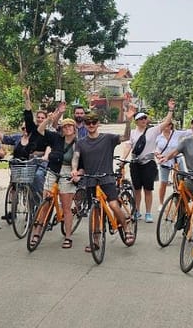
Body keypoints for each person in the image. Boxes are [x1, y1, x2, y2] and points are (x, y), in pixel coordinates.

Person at [72, 102, 135, 250]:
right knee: (95, 212)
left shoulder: (108, 138)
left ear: (98, 124)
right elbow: (76, 157)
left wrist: (128, 120)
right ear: (85, 125)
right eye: (88, 122)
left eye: (94, 122)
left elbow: (126, 136)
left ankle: (126, 229)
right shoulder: (81, 142)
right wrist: (74, 170)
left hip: (107, 178)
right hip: (90, 180)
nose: (91, 125)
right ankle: (95, 241)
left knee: (113, 204)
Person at [29, 113, 78, 249]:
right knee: (45, 203)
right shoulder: (56, 138)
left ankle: (68, 236)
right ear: (61, 129)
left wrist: (77, 174)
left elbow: (83, 162)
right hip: (52, 170)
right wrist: (48, 120)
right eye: (65, 126)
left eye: (70, 125)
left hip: (68, 172)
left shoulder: (79, 143)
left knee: (66, 207)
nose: (67, 128)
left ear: (74, 128)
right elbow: (39, 131)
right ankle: (37, 232)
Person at [128, 100, 176, 223]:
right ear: (136, 121)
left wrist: (170, 109)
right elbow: (128, 146)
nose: (143, 120)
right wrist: (123, 160)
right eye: (141, 118)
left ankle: (148, 213)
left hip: (148, 163)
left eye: (145, 118)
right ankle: (137, 211)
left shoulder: (153, 131)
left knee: (148, 189)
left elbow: (166, 122)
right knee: (137, 189)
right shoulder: (132, 133)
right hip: (135, 164)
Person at [153, 112, 191, 206]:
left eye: (169, 124)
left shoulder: (176, 134)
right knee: (164, 182)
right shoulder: (158, 136)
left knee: (182, 180)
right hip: (164, 161)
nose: (167, 126)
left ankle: (182, 200)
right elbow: (153, 147)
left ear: (171, 125)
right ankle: (161, 203)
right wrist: (157, 153)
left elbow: (189, 132)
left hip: (177, 160)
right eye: (165, 124)